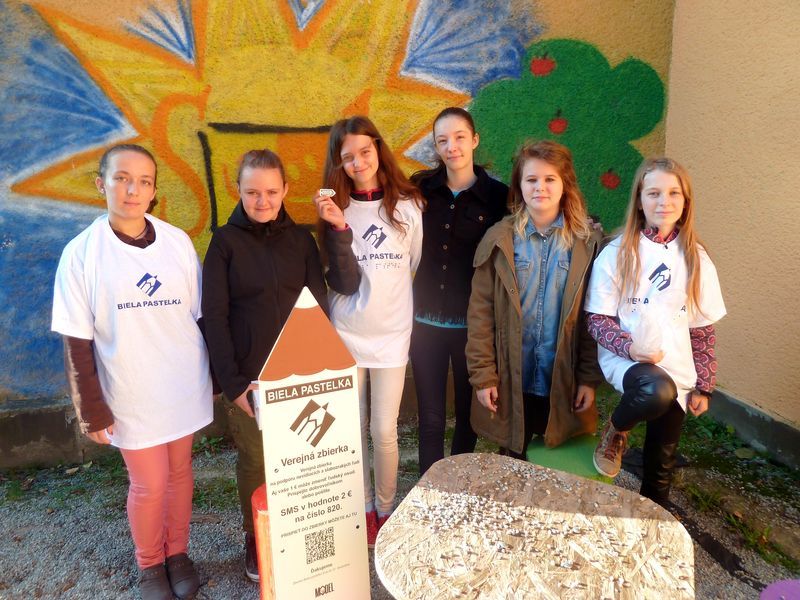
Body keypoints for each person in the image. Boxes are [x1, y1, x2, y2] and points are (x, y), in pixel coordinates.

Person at [51, 144, 212, 600]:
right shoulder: (81, 254)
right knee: (149, 483)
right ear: (101, 184)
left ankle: (177, 553)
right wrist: (91, 408)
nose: (132, 190)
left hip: (182, 382)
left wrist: (217, 379)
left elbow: (200, 317)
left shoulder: (177, 243)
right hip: (130, 390)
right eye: (121, 178)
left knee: (180, 474)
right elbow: (76, 340)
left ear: (154, 190)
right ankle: (150, 565)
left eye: (143, 181)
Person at [201, 149, 327, 580]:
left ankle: (299, 533)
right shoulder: (224, 243)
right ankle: (257, 539)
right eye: (253, 192)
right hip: (251, 382)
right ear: (238, 190)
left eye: (271, 192)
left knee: (303, 459)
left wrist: (319, 372)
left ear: (285, 190)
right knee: (257, 462)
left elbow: (318, 307)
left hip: (301, 376)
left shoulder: (302, 241)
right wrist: (233, 384)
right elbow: (214, 318)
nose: (262, 201)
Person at [585, 157, 726, 505]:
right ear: (639, 200)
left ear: (686, 201)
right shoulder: (618, 252)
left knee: (663, 459)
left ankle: (653, 513)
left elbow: (702, 327)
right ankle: (616, 429)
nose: (664, 201)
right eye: (654, 193)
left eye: (673, 193)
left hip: (677, 364)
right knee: (655, 391)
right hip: (628, 359)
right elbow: (597, 320)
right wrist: (630, 348)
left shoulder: (696, 258)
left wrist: (704, 384)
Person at [313, 116, 423, 546]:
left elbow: (413, 264)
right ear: (338, 164)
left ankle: (386, 506)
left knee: (384, 430)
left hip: (393, 335)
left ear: (378, 148)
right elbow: (339, 279)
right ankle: (361, 508)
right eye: (348, 157)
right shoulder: (335, 209)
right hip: (347, 334)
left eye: (364, 151)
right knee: (352, 430)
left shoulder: (409, 206)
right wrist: (336, 225)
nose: (358, 162)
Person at [466, 140, 604, 460]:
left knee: (555, 464)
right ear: (519, 186)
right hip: (513, 379)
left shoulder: (586, 244)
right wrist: (484, 376)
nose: (540, 187)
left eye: (549, 179)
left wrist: (588, 378)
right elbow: (480, 314)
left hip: (562, 380)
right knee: (514, 459)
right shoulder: (499, 240)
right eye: (531, 179)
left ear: (565, 184)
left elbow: (592, 319)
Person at [409, 107, 508, 475]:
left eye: (459, 137)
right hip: (425, 325)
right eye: (443, 140)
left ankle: (458, 486)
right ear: (436, 147)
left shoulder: (498, 198)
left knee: (468, 418)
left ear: (474, 140)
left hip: (473, 329)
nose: (452, 146)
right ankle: (429, 492)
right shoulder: (420, 190)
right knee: (431, 417)